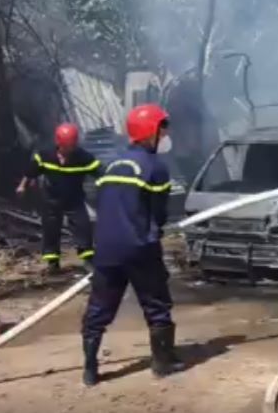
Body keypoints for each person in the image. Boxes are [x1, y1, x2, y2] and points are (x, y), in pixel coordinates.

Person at [81, 104, 184, 386]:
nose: (165, 134)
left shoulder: (113, 165)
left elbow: (104, 202)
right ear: (150, 131)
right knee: (156, 303)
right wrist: (155, 230)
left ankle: (90, 370)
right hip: (139, 247)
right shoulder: (155, 167)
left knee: (99, 309)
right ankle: (163, 363)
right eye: (162, 128)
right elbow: (159, 212)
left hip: (105, 248)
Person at [17, 123, 100, 274]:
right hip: (51, 200)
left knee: (83, 228)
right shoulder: (45, 156)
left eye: (71, 146)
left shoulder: (84, 158)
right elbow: (31, 172)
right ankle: (53, 263)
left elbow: (100, 174)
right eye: (66, 146)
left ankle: (88, 260)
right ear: (58, 143)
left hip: (75, 200)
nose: (69, 150)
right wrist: (22, 186)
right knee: (51, 230)